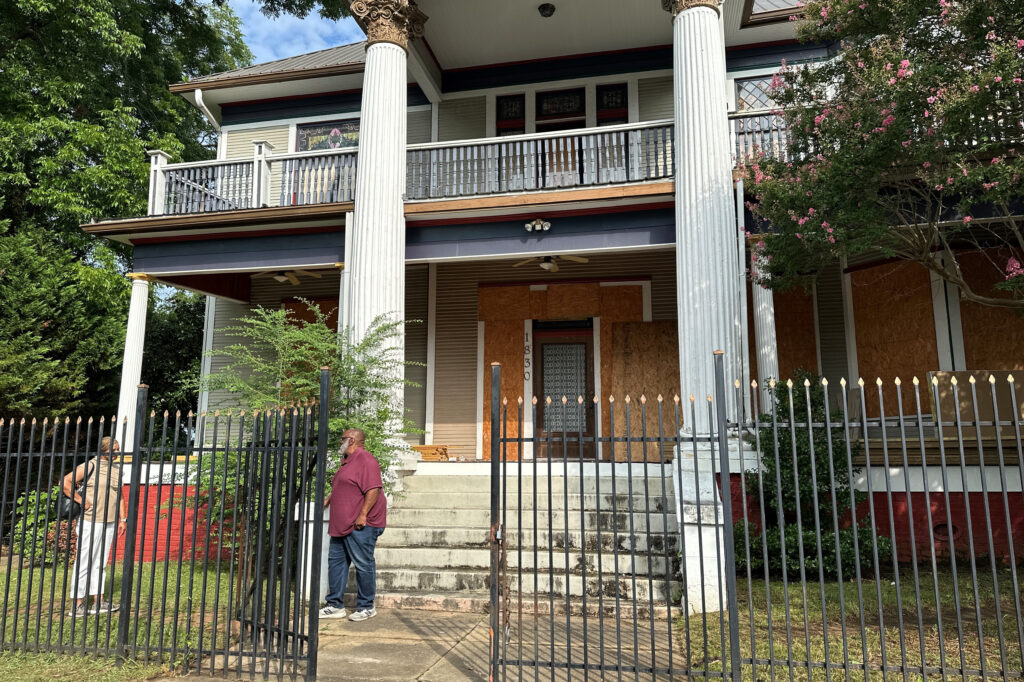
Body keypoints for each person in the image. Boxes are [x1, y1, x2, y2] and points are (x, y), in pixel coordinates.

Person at [319, 428, 387, 622]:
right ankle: (335, 605)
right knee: (336, 564)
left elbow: (373, 489)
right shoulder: (347, 462)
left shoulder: (365, 459)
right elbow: (347, 485)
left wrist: (363, 514)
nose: (339, 443)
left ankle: (366, 606)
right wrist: (330, 498)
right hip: (341, 525)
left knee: (363, 564)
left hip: (360, 525)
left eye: (342, 439)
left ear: (351, 440)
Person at [63, 436, 127, 617]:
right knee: (84, 561)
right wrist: (82, 501)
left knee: (101, 562)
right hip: (90, 521)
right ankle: (78, 604)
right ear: (103, 450)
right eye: (113, 450)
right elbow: (66, 482)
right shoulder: (90, 466)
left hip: (110, 522)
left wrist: (123, 519)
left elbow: (120, 495)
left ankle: (98, 602)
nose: (117, 453)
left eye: (118, 449)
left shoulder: (117, 470)